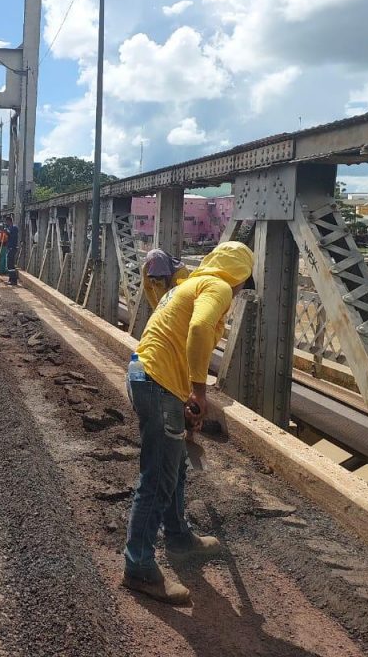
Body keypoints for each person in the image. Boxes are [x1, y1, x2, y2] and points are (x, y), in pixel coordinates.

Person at [122, 241, 254, 605]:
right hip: (157, 382)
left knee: (175, 464)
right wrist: (199, 392)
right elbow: (198, 330)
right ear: (240, 274)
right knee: (157, 478)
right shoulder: (219, 287)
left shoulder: (189, 284)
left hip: (148, 377)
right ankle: (139, 568)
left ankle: (179, 535)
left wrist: (183, 399)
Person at [4, 215, 20, 285]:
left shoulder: (14, 228)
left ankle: (13, 280)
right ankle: (11, 279)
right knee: (9, 264)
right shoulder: (9, 228)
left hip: (12, 248)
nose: (6, 223)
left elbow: (12, 235)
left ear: (9, 221)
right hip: (9, 247)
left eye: (6, 222)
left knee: (11, 264)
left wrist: (6, 231)